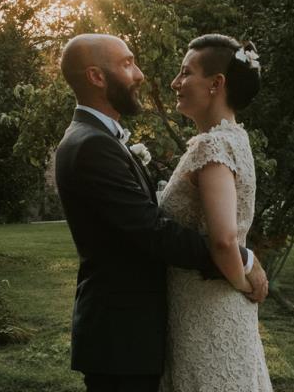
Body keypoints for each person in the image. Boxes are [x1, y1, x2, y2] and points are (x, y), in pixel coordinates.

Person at [54, 33, 269, 392]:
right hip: (122, 337)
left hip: (157, 329)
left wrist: (232, 254)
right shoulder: (91, 145)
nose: (140, 75)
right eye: (127, 64)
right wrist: (242, 261)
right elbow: (153, 231)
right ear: (96, 76)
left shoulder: (98, 140)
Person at [160, 33, 272, 392]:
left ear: (216, 83)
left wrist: (242, 283)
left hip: (209, 310)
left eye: (185, 73)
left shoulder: (213, 146)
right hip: (207, 305)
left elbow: (223, 239)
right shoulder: (235, 138)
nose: (176, 83)